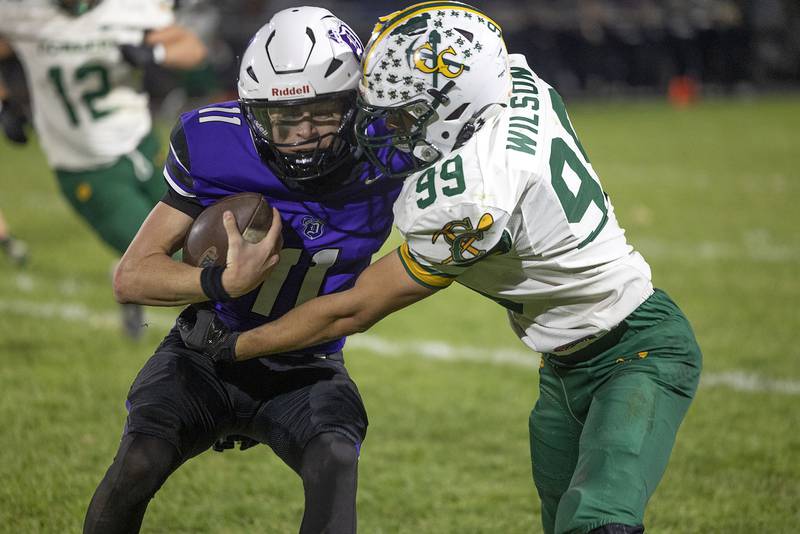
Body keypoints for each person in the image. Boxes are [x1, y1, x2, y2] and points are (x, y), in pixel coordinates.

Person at [178, 3, 703, 533]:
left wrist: (234, 348)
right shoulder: (513, 83)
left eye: (405, 115)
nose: (386, 126)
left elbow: (353, 309)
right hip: (562, 366)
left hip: (638, 349)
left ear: (454, 112)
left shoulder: (472, 196)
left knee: (598, 520)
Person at [83, 7, 406, 533]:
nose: (303, 133)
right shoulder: (214, 144)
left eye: (322, 112)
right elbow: (131, 276)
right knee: (139, 460)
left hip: (307, 362)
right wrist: (220, 283)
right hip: (206, 351)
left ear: (355, 104)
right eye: (285, 118)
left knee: (335, 460)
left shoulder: (391, 156)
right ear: (254, 114)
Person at [0, 0, 207, 338]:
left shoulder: (128, 9)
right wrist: (4, 103)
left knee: (204, 238)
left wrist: (151, 54)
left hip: (145, 148)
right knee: (176, 259)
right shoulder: (24, 13)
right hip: (87, 170)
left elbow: (193, 49)